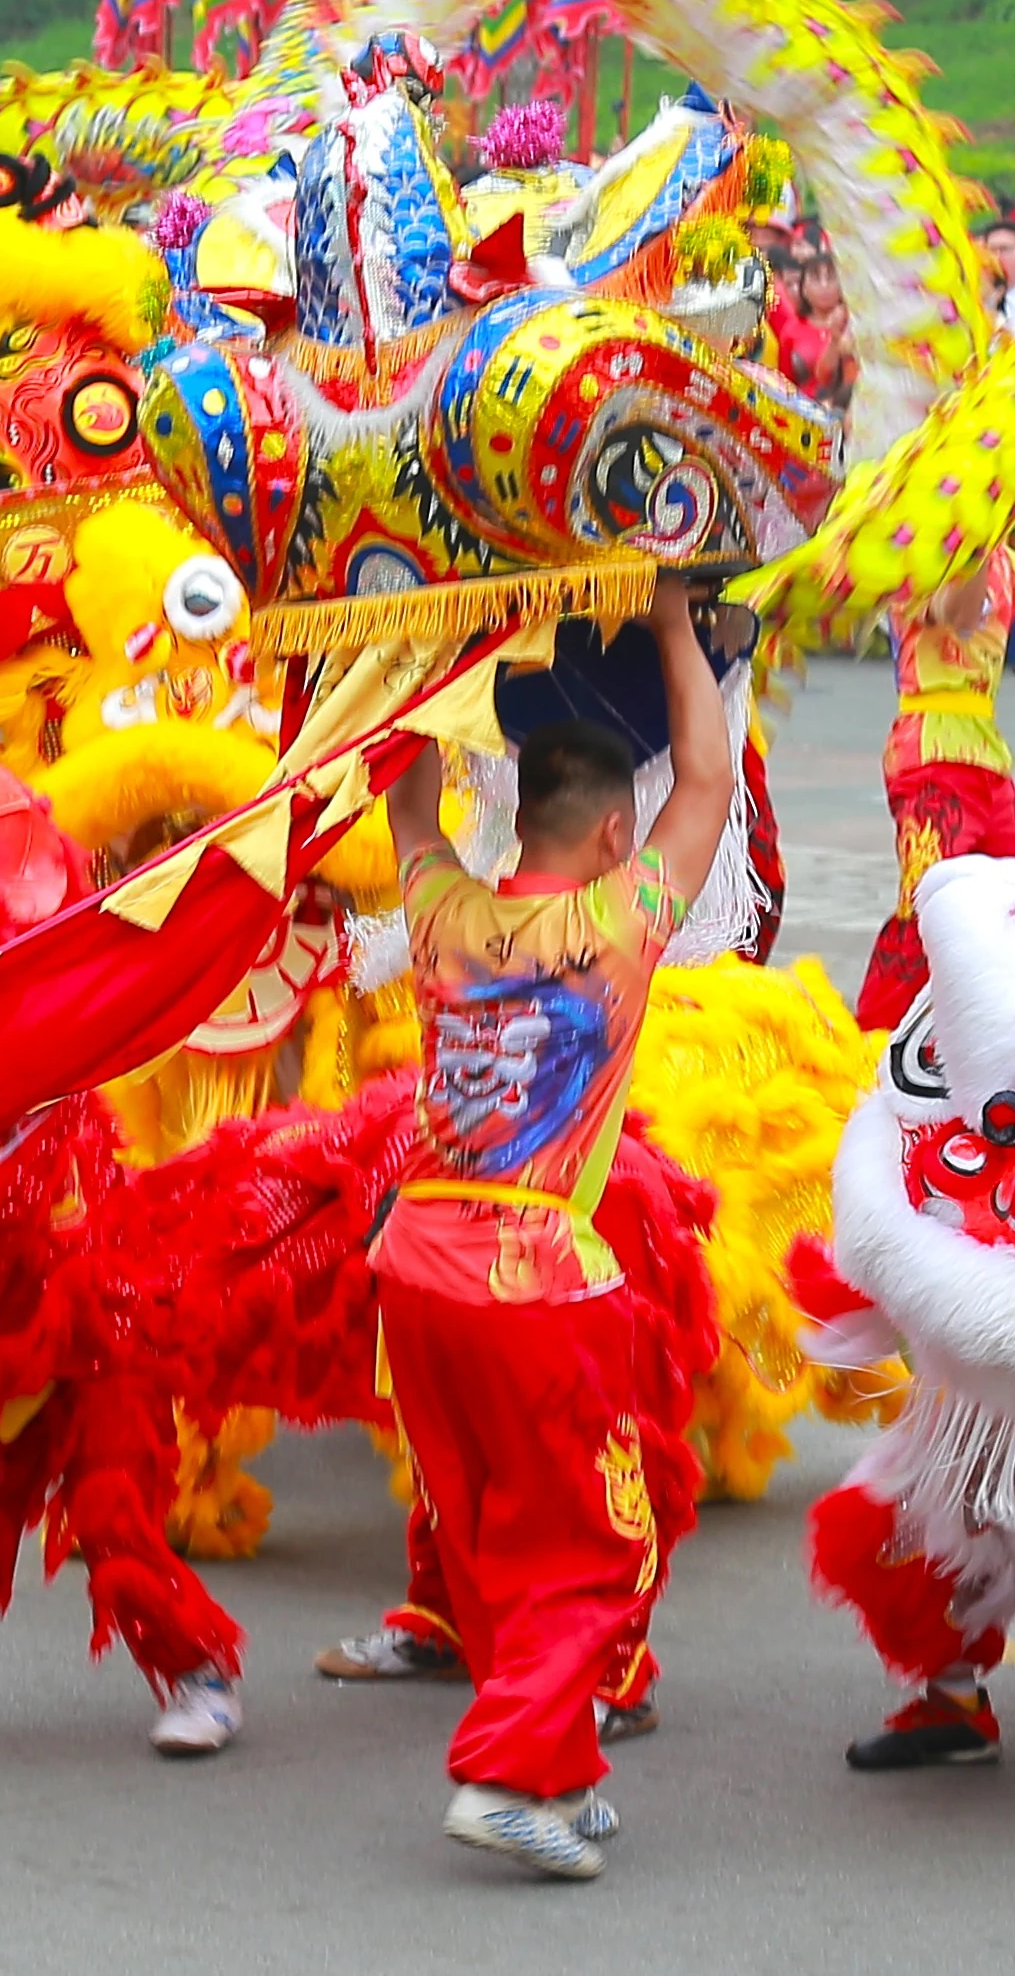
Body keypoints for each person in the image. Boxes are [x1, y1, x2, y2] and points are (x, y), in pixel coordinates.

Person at [368, 580, 735, 1880]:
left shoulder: (444, 917)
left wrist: (421, 643)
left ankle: (561, 1764)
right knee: (600, 1542)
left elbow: (403, 799)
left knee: (484, 1534)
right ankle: (509, 1773)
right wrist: (676, 621)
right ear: (613, 830)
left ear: (518, 816)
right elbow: (708, 774)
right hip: (529, 1276)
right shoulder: (613, 925)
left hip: (410, 1268)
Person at [858, 478, 1015, 1026]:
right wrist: (977, 534)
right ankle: (875, 1038)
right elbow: (958, 613)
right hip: (929, 755)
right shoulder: (919, 559)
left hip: (986, 759)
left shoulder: (1004, 563)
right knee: (926, 910)